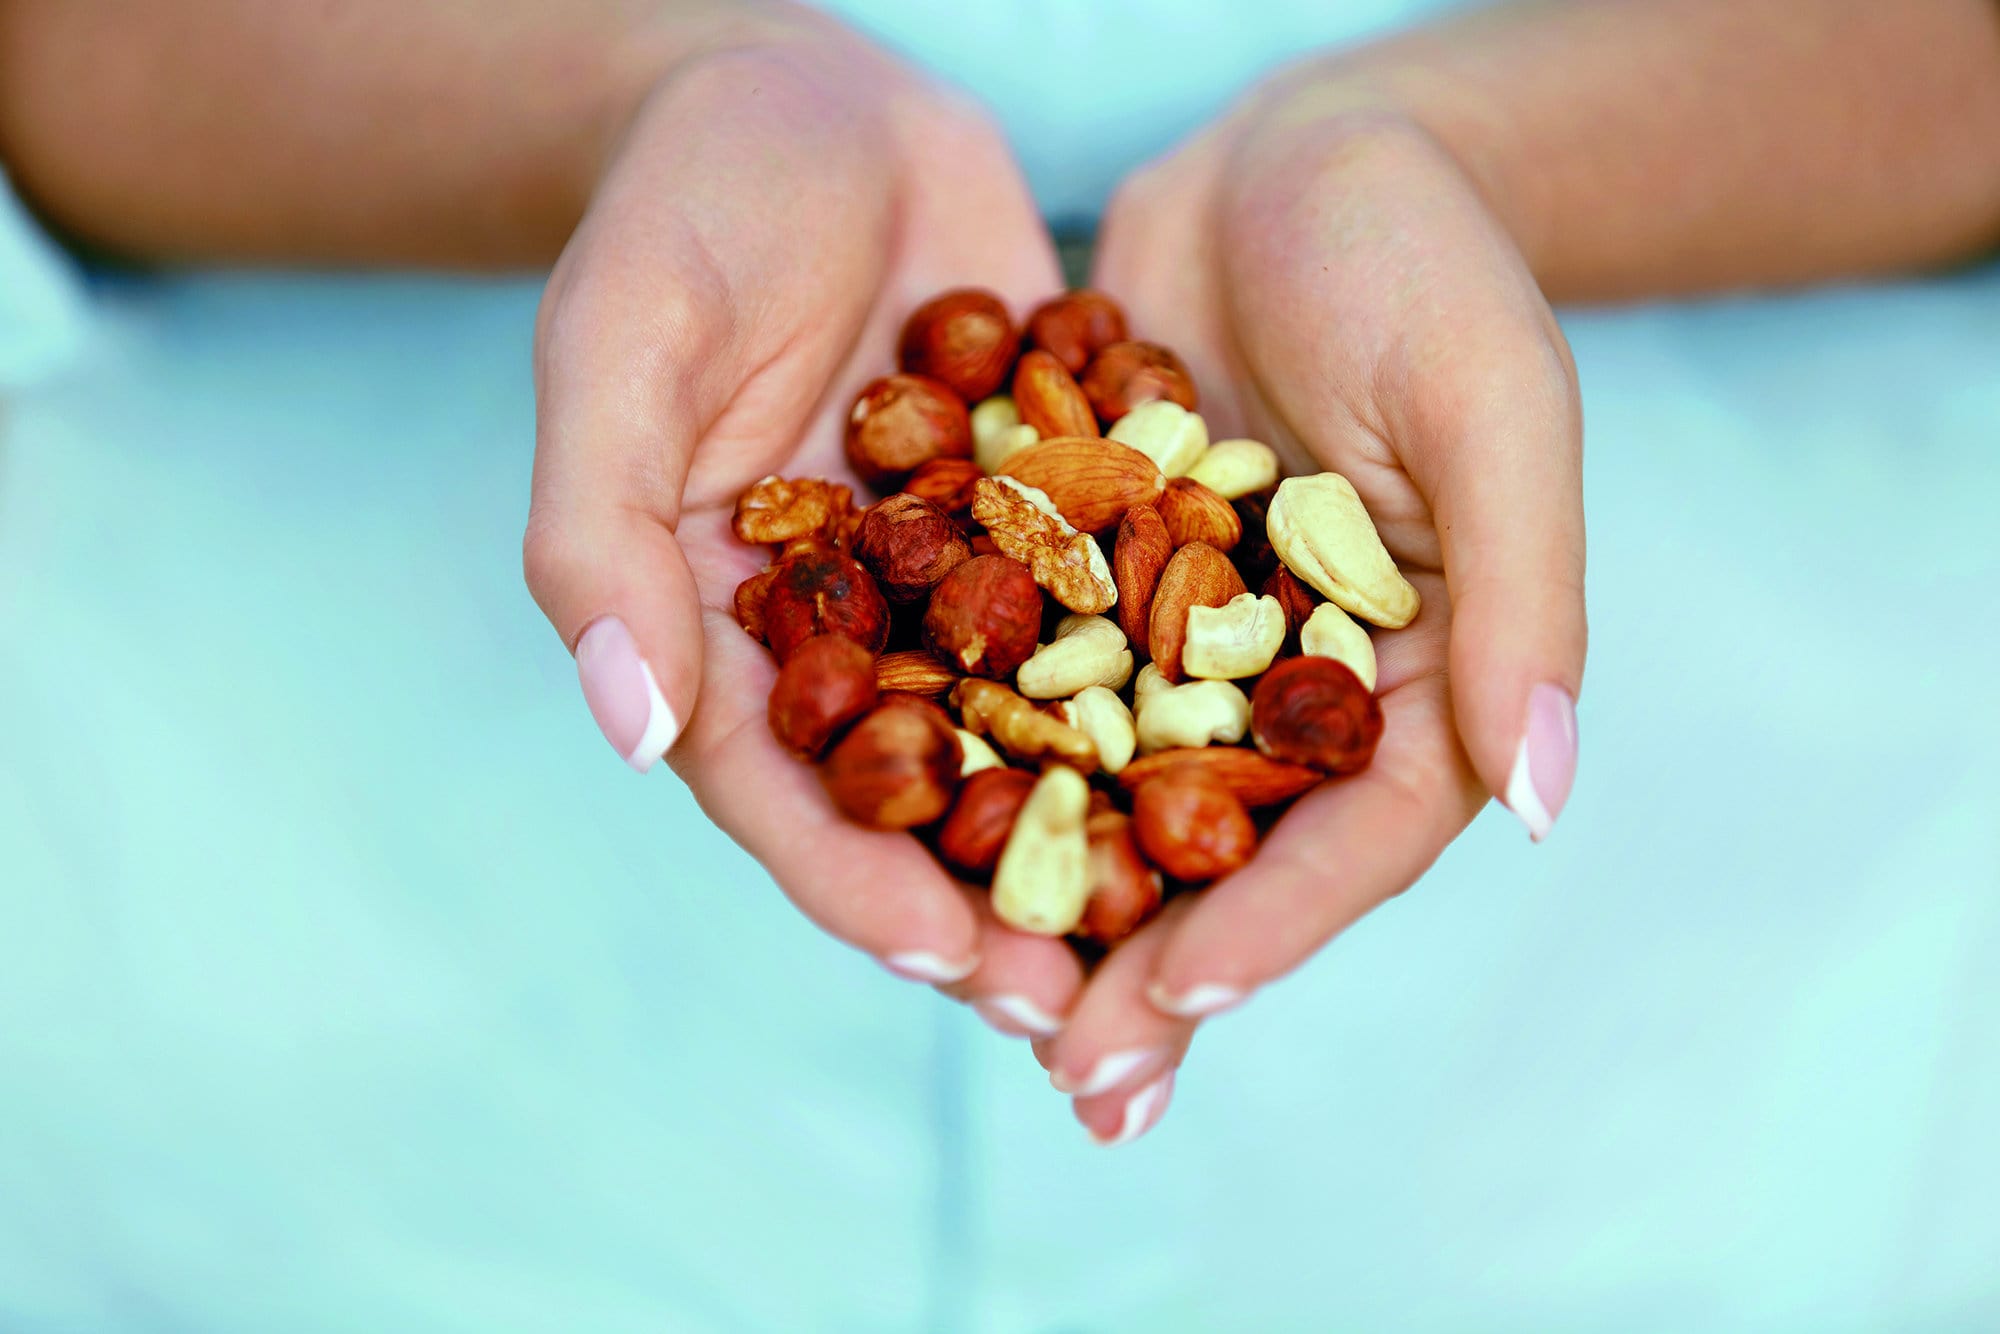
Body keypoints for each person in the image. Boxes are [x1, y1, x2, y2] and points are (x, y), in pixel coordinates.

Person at [4, 0, 1995, 1151]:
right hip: (325, 1026)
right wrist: (639, 93)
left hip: (1677, 1079)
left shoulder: (1103, 580)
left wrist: (1457, 151)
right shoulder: (974, 540)